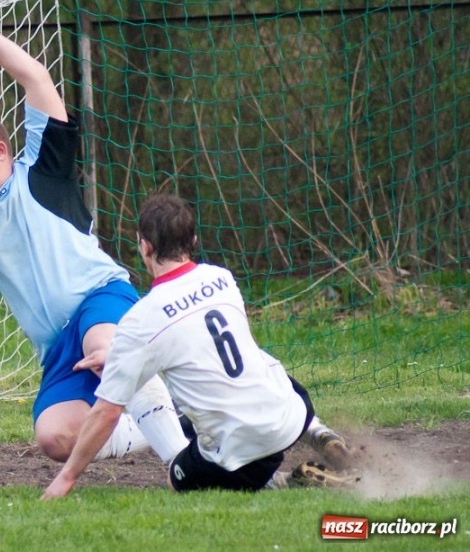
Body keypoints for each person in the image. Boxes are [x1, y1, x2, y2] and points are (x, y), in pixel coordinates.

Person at [0, 0, 347, 469]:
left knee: (107, 346)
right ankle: (166, 421)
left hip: (99, 301)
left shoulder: (44, 169)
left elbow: (35, 77)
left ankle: (189, 461)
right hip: (58, 346)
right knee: (55, 437)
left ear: (1, 150)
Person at [42, 193, 354, 498]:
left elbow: (107, 413)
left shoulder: (141, 319)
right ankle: (318, 431)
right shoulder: (223, 278)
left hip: (244, 450)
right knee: (257, 359)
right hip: (291, 415)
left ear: (145, 246)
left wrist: (66, 478)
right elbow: (193, 334)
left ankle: (280, 483)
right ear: (192, 241)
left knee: (176, 479)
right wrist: (123, 354)